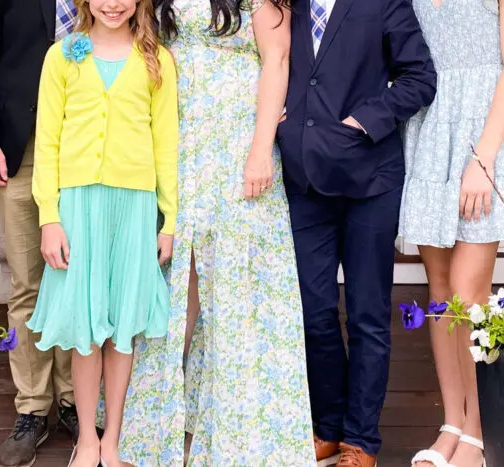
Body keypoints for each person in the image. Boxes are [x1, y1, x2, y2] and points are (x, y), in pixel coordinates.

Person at [107, 0, 317, 465]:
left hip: (237, 149)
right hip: (177, 143)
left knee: (239, 278)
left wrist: (261, 147)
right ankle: (156, 420)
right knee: (176, 276)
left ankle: (237, 423)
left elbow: (277, 60)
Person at [277, 0, 437, 465]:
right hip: (304, 178)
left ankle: (361, 439)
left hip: (370, 179)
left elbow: (419, 77)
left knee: (367, 314)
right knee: (314, 311)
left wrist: (364, 120)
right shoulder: (286, 4)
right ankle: (327, 426)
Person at [23, 0, 179, 465]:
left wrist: (168, 220)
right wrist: (50, 217)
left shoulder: (158, 60)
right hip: (78, 206)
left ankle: (112, 440)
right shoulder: (63, 55)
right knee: (86, 326)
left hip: (133, 206)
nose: (114, 4)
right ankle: (86, 441)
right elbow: (47, 138)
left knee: (122, 326)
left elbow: (165, 143)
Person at [400, 1, 504, 466]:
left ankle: (479, 432)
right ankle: (452, 423)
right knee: (441, 290)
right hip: (431, 132)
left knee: (468, 292)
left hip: (486, 133)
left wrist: (483, 158)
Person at [0, 1, 80, 465]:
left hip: (89, 145)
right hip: (22, 143)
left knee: (77, 278)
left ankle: (75, 399)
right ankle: (32, 407)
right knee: (27, 280)